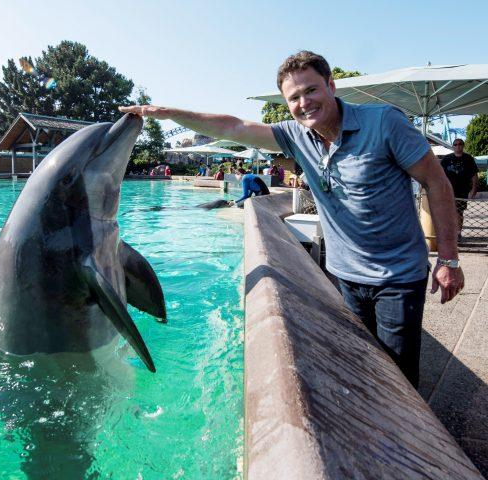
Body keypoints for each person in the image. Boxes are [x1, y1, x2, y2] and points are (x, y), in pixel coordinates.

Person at [119, 50, 463, 388]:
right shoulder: (295, 135)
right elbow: (233, 126)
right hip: (344, 277)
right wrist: (167, 113)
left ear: (331, 85)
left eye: (311, 90)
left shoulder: (384, 122)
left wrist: (447, 258)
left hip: (398, 277)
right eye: (294, 97)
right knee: (361, 372)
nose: (304, 103)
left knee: (398, 381)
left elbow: (437, 183)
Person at [440, 139, 479, 240]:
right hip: (447, 190)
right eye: (455, 144)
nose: (458, 146)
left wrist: (474, 189)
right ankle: (449, 232)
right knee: (447, 212)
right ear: (453, 146)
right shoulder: (446, 159)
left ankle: (457, 233)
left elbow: (474, 175)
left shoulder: (468, 158)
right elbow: (439, 174)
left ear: (463, 145)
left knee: (458, 212)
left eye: (460, 144)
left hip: (462, 190)